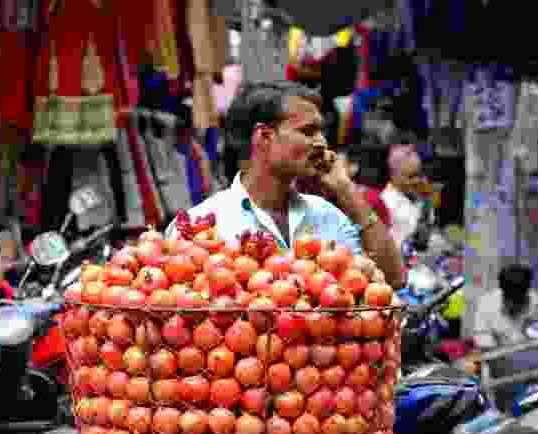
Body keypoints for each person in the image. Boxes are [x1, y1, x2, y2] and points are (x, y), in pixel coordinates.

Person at [167, 81, 403, 288]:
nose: (321, 142)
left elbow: (393, 280)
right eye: (308, 131)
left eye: (321, 131)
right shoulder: (200, 225)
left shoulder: (327, 216)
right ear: (264, 137)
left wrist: (346, 189)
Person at [380, 142, 436, 249]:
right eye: (410, 177)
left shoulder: (421, 198)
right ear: (393, 175)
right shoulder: (385, 204)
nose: (417, 181)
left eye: (419, 174)